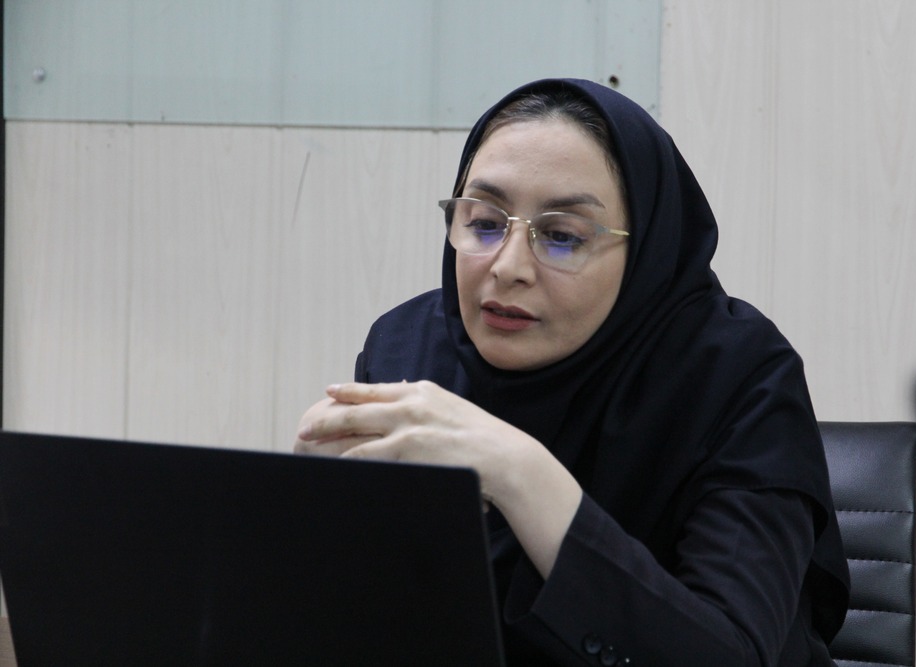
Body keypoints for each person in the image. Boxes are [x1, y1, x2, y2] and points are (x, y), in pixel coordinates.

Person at [294, 78, 849, 666]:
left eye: (561, 236)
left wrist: (522, 474)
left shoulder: (737, 377)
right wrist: (318, 511)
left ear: (646, 251)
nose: (508, 267)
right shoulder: (410, 347)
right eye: (485, 222)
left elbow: (730, 655)